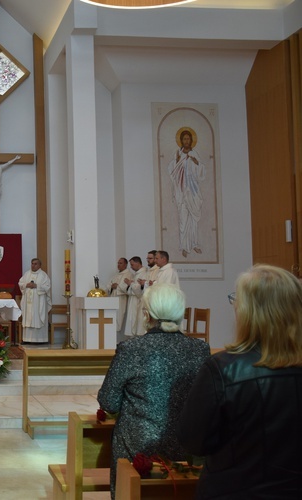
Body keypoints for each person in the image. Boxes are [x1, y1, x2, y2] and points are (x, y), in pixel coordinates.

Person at [178, 265, 302, 498]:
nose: (234, 306)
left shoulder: (223, 369)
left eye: (236, 299)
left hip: (235, 490)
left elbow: (194, 442)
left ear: (249, 311)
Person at [98, 283, 210, 498]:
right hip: (186, 449)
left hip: (138, 452)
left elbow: (108, 402)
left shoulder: (131, 349)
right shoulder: (200, 349)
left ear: (147, 315)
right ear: (181, 315)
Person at [168, 129, 206, 258]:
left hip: (193, 191)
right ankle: (184, 247)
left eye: (188, 139)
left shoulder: (194, 153)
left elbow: (201, 172)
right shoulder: (178, 153)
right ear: (181, 140)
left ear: (191, 140)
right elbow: (172, 171)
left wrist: (196, 163)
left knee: (194, 220)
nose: (186, 141)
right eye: (184, 139)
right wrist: (177, 161)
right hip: (182, 192)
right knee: (183, 220)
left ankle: (194, 244)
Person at [18, 258, 51, 343]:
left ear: (40, 265)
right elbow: (20, 283)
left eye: (35, 264)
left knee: (37, 317)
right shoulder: (27, 274)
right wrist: (26, 285)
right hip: (28, 301)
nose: (33, 265)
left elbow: (47, 287)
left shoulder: (44, 275)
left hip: (38, 302)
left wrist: (37, 286)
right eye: (32, 263)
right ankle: (27, 339)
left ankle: (40, 339)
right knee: (28, 318)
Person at [123, 257, 147, 336]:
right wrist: (130, 285)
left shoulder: (144, 273)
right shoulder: (136, 274)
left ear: (138, 263)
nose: (131, 267)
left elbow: (140, 291)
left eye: (132, 264)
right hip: (132, 300)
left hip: (138, 301)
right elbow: (134, 288)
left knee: (137, 323)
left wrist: (131, 284)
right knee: (132, 321)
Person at [108, 257, 133, 337]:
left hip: (121, 300)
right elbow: (109, 285)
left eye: (120, 263)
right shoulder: (116, 275)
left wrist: (117, 286)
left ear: (125, 265)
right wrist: (112, 286)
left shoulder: (129, 274)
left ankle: (119, 338)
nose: (118, 265)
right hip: (113, 299)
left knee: (119, 318)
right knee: (112, 317)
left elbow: (127, 288)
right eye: (118, 263)